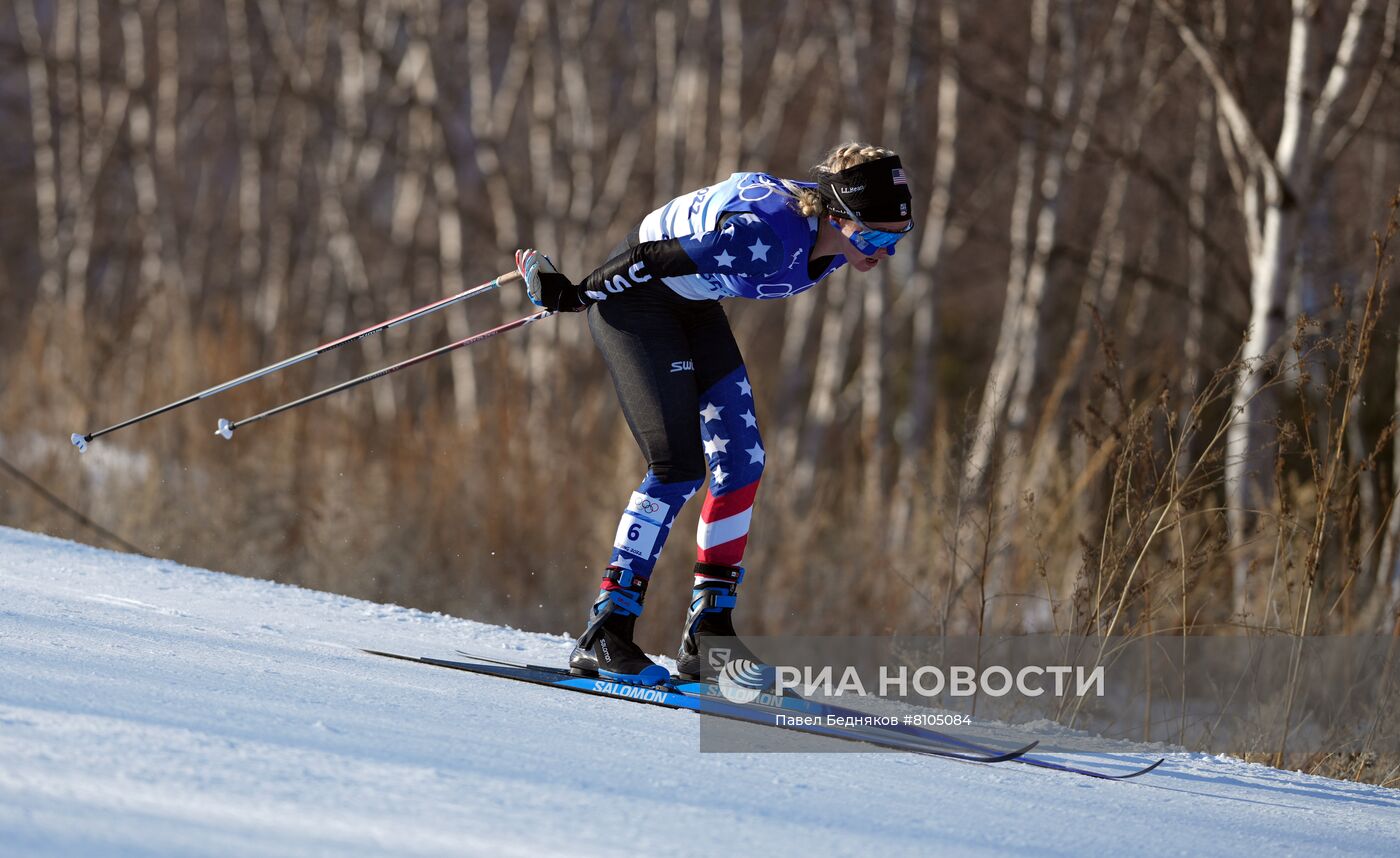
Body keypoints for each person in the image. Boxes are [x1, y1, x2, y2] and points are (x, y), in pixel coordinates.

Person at [516, 142, 914, 686]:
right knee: (677, 467)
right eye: (874, 237)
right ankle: (605, 632)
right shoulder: (764, 238)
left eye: (897, 238)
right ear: (838, 216)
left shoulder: (826, 238)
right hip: (637, 299)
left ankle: (709, 635)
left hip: (692, 304)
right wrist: (576, 296)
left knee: (743, 463)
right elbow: (647, 259)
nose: (883, 251)